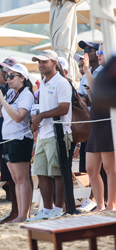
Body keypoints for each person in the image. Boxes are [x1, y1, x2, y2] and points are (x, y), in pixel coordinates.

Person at [28, 50, 73, 221]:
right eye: (38, 62)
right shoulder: (44, 83)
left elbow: (64, 108)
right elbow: (47, 108)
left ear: (54, 63)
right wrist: (37, 117)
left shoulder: (62, 82)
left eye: (44, 62)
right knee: (41, 171)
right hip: (45, 133)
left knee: (58, 172)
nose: (40, 64)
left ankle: (59, 208)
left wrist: (40, 116)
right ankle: (47, 209)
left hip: (59, 133)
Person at [0, 63, 34, 222]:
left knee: (22, 178)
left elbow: (19, 117)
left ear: (22, 78)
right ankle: (19, 214)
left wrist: (3, 100)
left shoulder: (26, 94)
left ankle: (24, 215)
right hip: (8, 139)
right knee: (16, 179)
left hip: (20, 138)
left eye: (11, 76)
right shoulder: (10, 93)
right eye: (6, 76)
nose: (8, 80)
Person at [83, 43, 116, 212]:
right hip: (96, 123)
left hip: (108, 122)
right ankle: (101, 204)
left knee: (110, 168)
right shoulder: (101, 72)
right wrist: (87, 70)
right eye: (99, 51)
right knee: (91, 168)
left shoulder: (111, 71)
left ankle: (111, 205)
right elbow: (97, 93)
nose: (99, 54)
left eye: (102, 51)